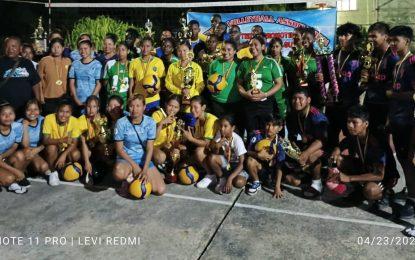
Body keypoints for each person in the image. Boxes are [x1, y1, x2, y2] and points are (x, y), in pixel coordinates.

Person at [386, 26, 415, 219]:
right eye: (392, 40)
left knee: (409, 161)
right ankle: (409, 191)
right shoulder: (398, 63)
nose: (393, 44)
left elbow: (413, 93)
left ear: (408, 41)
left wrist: (393, 94)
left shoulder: (413, 62)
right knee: (403, 160)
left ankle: (412, 202)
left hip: (408, 121)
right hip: (396, 119)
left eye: (396, 40)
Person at [113, 94, 166, 197]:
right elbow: (119, 149)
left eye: (138, 106)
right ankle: (127, 178)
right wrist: (135, 166)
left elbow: (150, 148)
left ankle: (136, 177)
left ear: (144, 107)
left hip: (143, 158)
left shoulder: (150, 122)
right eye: (131, 106)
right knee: (119, 172)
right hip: (126, 159)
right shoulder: (121, 123)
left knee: (160, 190)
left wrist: (145, 170)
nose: (134, 109)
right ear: (128, 108)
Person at [329, 106, 385, 202]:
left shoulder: (375, 143)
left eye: (354, 122)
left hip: (381, 177)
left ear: (366, 124)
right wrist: (336, 150)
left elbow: (379, 175)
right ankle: (357, 189)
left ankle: (383, 196)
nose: (350, 125)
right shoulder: (356, 134)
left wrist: (349, 178)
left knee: (370, 190)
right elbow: (344, 143)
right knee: (338, 159)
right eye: (348, 122)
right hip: (365, 168)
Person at [237, 35, 283, 139]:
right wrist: (245, 94)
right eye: (250, 45)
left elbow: (279, 83)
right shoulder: (245, 64)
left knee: (267, 133)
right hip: (250, 104)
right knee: (251, 134)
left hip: (266, 104)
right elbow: (238, 84)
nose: (252, 47)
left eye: (255, 44)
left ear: (263, 46)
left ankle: (268, 154)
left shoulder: (271, 62)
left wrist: (265, 94)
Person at [285, 88, 328, 198]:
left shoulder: (316, 115)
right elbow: (292, 137)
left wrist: (305, 153)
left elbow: (322, 140)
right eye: (294, 98)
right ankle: (308, 173)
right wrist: (292, 150)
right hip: (308, 144)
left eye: (300, 99)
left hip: (326, 146)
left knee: (312, 155)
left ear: (308, 100)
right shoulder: (293, 114)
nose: (297, 101)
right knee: (291, 178)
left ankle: (317, 183)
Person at [326, 23, 362, 149]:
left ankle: (351, 164)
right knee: (330, 134)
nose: (342, 38)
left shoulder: (360, 56)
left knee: (351, 136)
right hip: (332, 103)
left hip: (350, 104)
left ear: (355, 37)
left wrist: (352, 96)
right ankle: (329, 165)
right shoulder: (334, 54)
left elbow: (364, 82)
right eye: (340, 35)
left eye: (346, 35)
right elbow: (326, 75)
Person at [18, 100, 58, 186]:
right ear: (24, 111)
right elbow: (25, 145)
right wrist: (25, 127)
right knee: (43, 167)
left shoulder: (44, 120)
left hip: (42, 148)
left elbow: (49, 139)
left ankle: (54, 172)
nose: (32, 112)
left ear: (40, 111)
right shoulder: (19, 123)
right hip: (28, 151)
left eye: (35, 109)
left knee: (52, 146)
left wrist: (38, 149)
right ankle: (30, 169)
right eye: (29, 109)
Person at [182, 96, 219, 189]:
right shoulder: (195, 119)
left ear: (203, 107)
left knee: (199, 151)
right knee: (182, 159)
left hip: (219, 153)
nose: (192, 110)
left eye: (195, 107)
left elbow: (207, 143)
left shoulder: (211, 119)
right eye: (191, 107)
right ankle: (203, 169)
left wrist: (190, 139)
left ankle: (211, 175)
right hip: (208, 151)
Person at [165, 41, 204, 126]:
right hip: (176, 105)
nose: (182, 53)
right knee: (176, 128)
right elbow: (167, 83)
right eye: (179, 51)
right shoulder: (172, 66)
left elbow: (200, 85)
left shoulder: (196, 67)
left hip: (190, 106)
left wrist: (191, 96)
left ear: (190, 51)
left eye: (185, 50)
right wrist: (180, 91)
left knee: (190, 128)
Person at [0, 36, 41, 117]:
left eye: (13, 46)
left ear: (20, 48)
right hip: (5, 109)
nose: (10, 49)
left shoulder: (27, 63)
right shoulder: (1, 62)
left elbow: (35, 83)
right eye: (7, 46)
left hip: (26, 109)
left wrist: (37, 101)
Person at [207, 115, 248, 194]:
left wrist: (230, 179)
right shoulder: (220, 134)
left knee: (239, 183)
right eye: (221, 126)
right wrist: (217, 146)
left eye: (225, 126)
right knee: (212, 158)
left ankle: (229, 179)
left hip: (237, 166)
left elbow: (242, 163)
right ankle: (222, 179)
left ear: (232, 128)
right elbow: (214, 154)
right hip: (226, 164)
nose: (222, 129)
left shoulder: (237, 140)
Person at [246, 117, 285, 197]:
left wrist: (277, 187)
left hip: (272, 171)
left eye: (274, 125)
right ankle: (256, 182)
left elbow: (280, 166)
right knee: (250, 160)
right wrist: (258, 155)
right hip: (259, 167)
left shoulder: (281, 143)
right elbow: (247, 152)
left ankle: (271, 180)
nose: (270, 128)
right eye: (268, 125)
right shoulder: (257, 135)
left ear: (280, 128)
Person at [42, 101, 81, 177]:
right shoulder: (49, 118)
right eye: (61, 111)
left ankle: (66, 170)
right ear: (56, 111)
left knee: (76, 154)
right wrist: (61, 140)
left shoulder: (75, 121)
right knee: (51, 148)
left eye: (67, 112)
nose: (64, 115)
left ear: (71, 113)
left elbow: (74, 143)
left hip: (66, 149)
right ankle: (53, 172)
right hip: (54, 148)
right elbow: (45, 140)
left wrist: (63, 155)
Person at [208, 40, 241, 125]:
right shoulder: (214, 63)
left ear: (235, 51)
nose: (226, 52)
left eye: (229, 50)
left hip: (234, 103)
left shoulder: (239, 64)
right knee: (218, 129)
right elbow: (209, 81)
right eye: (223, 49)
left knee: (233, 130)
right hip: (217, 103)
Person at [128, 37, 165, 114]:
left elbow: (162, 81)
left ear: (152, 47)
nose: (145, 48)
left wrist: (157, 90)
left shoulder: (158, 62)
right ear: (140, 46)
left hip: (153, 98)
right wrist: (131, 95)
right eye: (143, 46)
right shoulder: (134, 62)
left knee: (152, 121)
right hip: (138, 98)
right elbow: (131, 81)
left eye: (148, 46)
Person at [151, 94, 183, 182]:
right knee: (161, 157)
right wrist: (161, 123)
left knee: (177, 152)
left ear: (179, 109)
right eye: (170, 105)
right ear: (165, 104)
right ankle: (152, 168)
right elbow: (151, 135)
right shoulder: (157, 114)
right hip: (152, 146)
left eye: (176, 107)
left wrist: (176, 144)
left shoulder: (174, 120)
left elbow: (170, 139)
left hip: (163, 146)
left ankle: (170, 171)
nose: (172, 109)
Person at [37, 37, 72, 115]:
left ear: (63, 48)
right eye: (53, 47)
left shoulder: (68, 61)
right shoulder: (44, 61)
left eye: (58, 47)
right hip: (49, 98)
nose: (56, 49)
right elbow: (38, 80)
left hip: (64, 97)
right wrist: (40, 96)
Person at [68, 39, 102, 115]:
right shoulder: (75, 64)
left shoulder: (97, 64)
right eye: (80, 49)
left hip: (93, 102)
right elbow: (71, 83)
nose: (83, 51)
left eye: (85, 48)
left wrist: (91, 100)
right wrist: (76, 99)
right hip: (78, 101)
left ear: (91, 49)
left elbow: (98, 84)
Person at [0, 104, 27, 194]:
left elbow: (14, 147)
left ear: (15, 115)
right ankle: (13, 179)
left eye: (10, 113)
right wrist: (17, 172)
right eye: (4, 114)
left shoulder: (17, 126)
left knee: (20, 154)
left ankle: (15, 180)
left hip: (3, 158)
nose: (7, 117)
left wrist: (2, 156)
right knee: (9, 178)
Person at [103, 42, 130, 109]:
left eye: (123, 50)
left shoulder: (131, 64)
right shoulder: (110, 64)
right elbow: (105, 81)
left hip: (125, 100)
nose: (120, 52)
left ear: (128, 51)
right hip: (112, 99)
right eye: (118, 50)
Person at [268, 37, 289, 119]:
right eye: (273, 46)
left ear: (281, 47)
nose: (274, 49)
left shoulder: (285, 61)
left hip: (281, 96)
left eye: (277, 46)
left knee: (281, 119)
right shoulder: (266, 60)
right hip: (268, 93)